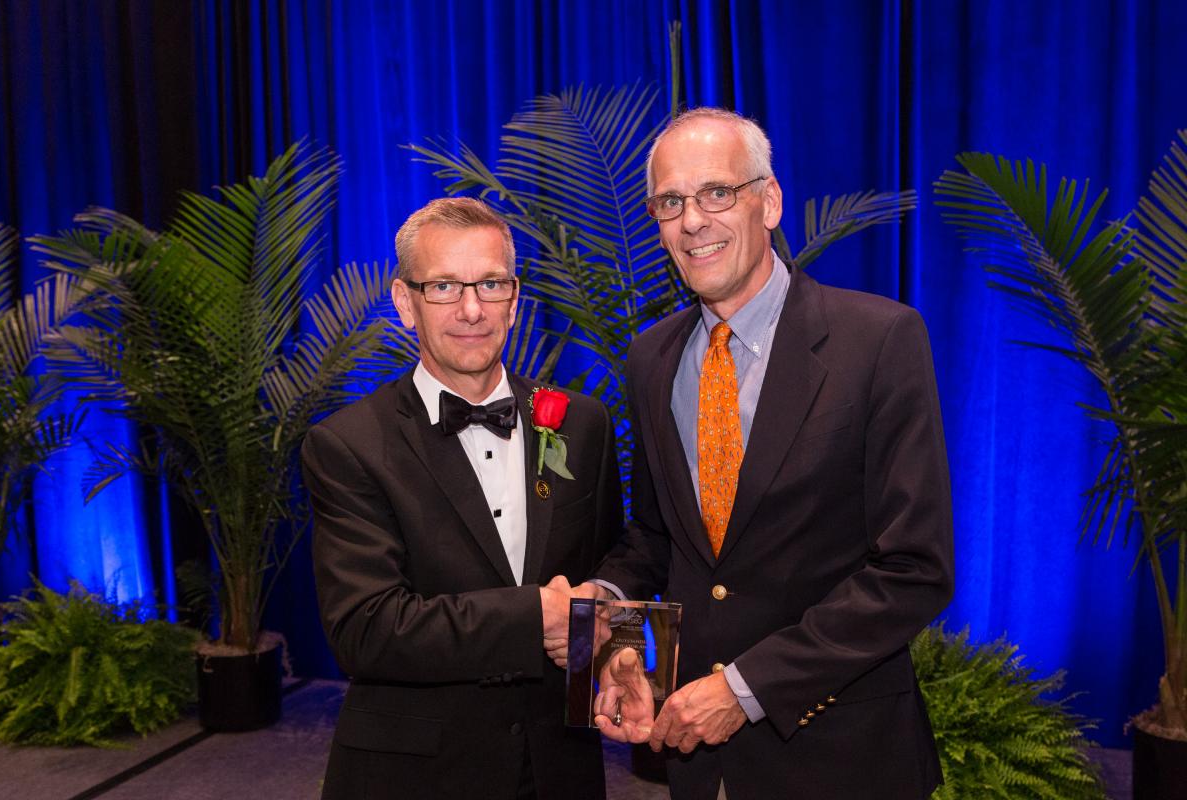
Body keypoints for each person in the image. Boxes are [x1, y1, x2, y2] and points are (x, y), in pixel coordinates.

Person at [578, 108, 955, 799]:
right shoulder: (651, 357)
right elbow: (657, 541)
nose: (692, 221)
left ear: (769, 201)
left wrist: (746, 688)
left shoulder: (878, 342)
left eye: (717, 192)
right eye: (670, 202)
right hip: (701, 765)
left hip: (844, 759)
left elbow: (914, 569)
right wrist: (607, 620)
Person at [303, 197, 622, 800]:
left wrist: (602, 607)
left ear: (515, 298)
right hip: (415, 774)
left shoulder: (582, 424)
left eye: (490, 284)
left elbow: (611, 565)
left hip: (561, 767)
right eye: (445, 286)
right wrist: (539, 614)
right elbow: (366, 630)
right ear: (406, 303)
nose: (472, 309)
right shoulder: (347, 445)